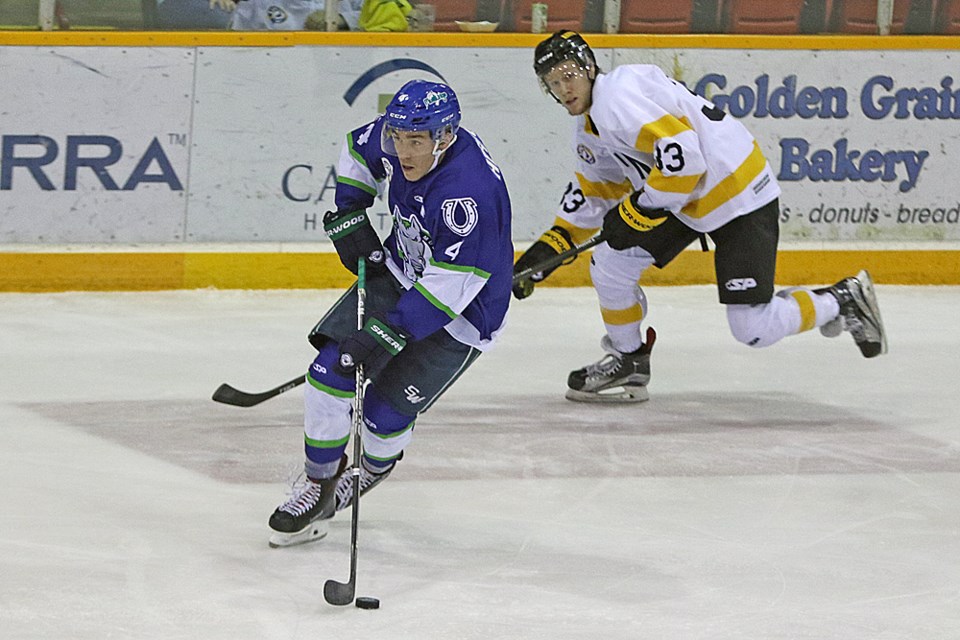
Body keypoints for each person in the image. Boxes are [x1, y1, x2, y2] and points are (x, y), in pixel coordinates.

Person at [513, 30, 887, 404]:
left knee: (753, 328)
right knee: (611, 262)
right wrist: (550, 248)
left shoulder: (616, 100)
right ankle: (629, 359)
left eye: (569, 75)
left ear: (590, 68)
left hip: (736, 191)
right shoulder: (590, 127)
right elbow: (596, 193)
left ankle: (842, 299)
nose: (564, 88)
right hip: (686, 194)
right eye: (553, 82)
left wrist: (638, 210)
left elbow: (686, 158)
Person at [268, 80, 514, 547]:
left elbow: (453, 285)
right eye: (397, 137)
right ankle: (318, 486)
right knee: (330, 370)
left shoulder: (468, 193)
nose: (402, 150)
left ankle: (370, 470)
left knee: (382, 419)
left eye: (415, 142)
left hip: (465, 313)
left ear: (444, 138)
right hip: (401, 274)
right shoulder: (399, 134)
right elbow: (357, 150)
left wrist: (391, 330)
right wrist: (349, 210)